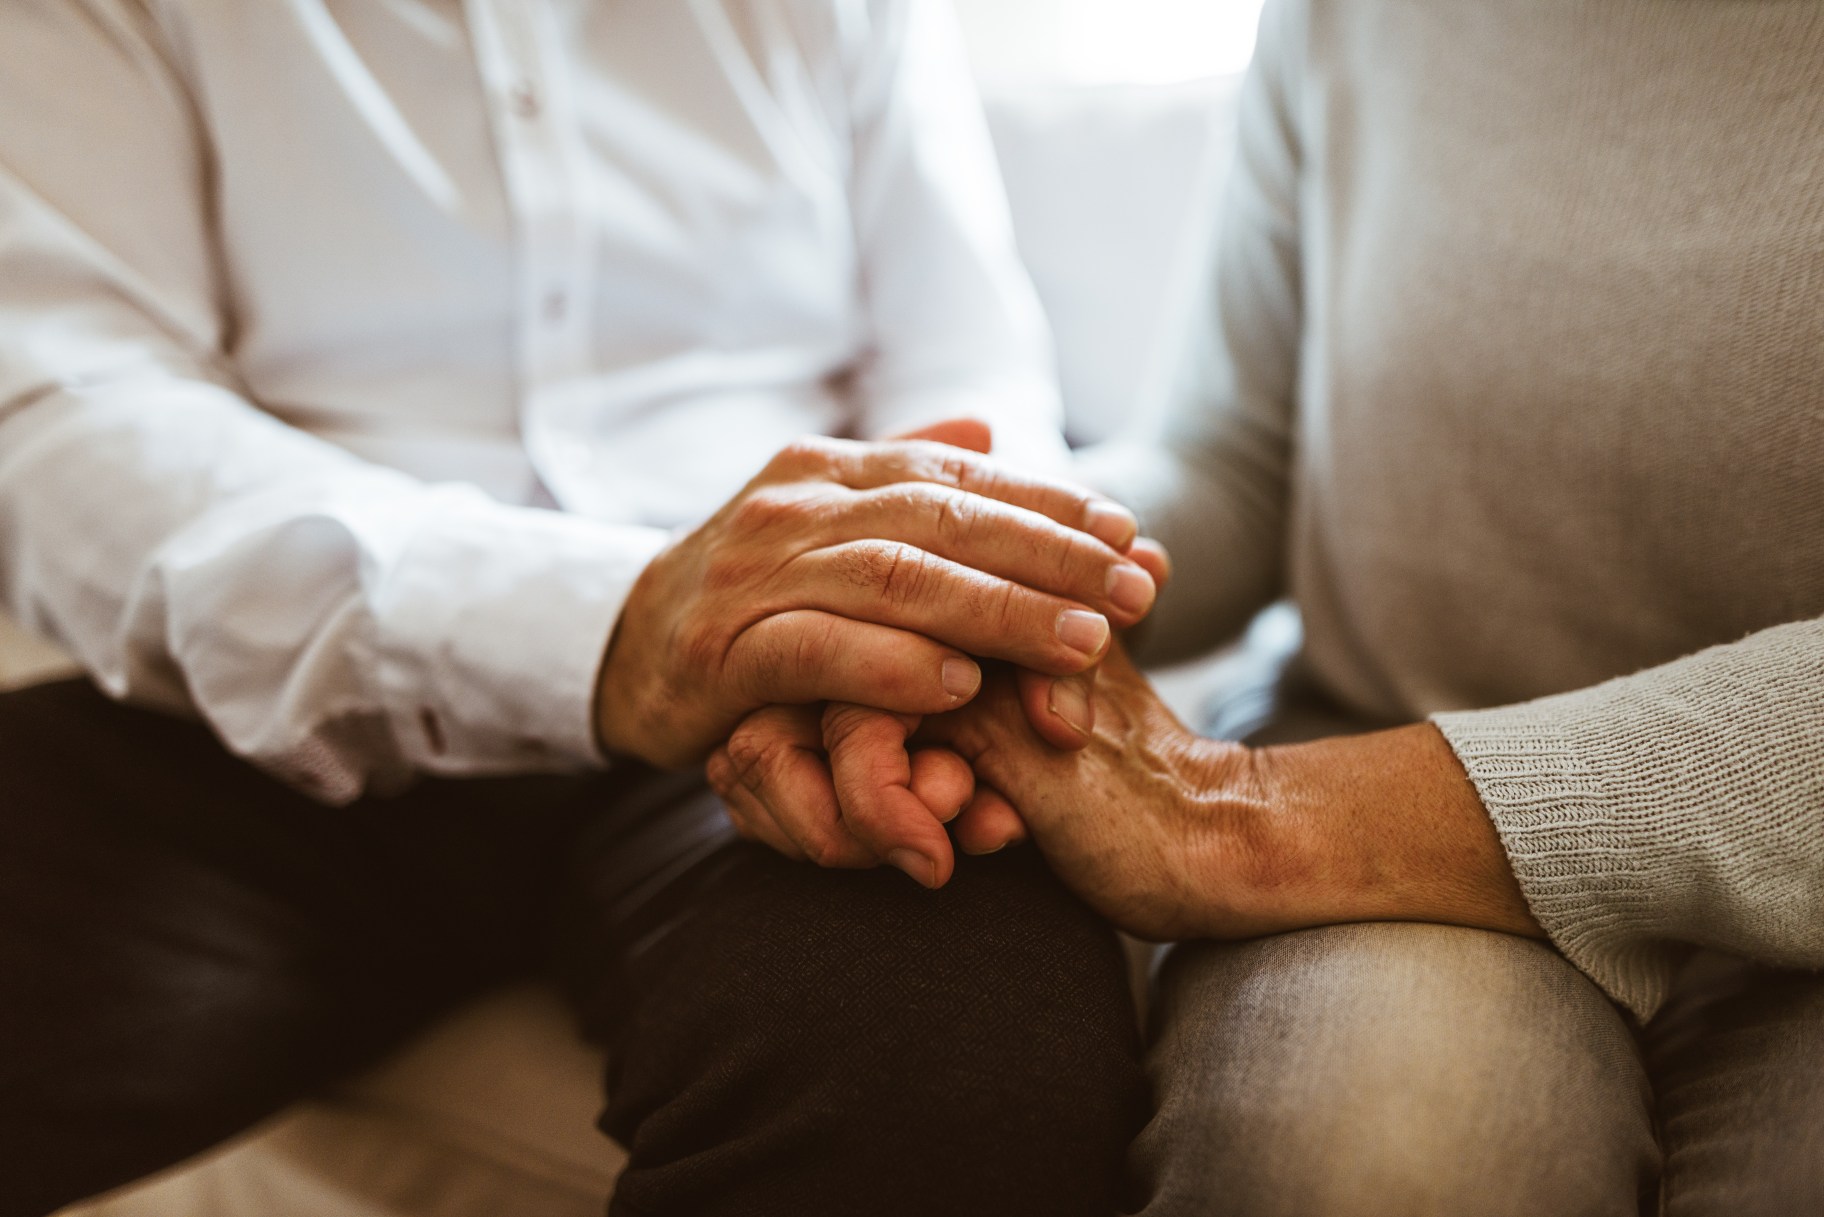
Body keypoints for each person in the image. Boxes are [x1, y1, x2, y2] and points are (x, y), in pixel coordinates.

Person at [0, 2, 1164, 1214]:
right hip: (266, 689)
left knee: (960, 1063)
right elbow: (67, 409)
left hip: (779, 703)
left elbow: (963, 365)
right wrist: (617, 626)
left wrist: (915, 636)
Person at [724, 1, 1824, 1213]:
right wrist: (967, 594)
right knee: (1359, 1175)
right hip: (1377, 768)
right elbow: (1241, 458)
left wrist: (1237, 817)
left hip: (1390, 818)